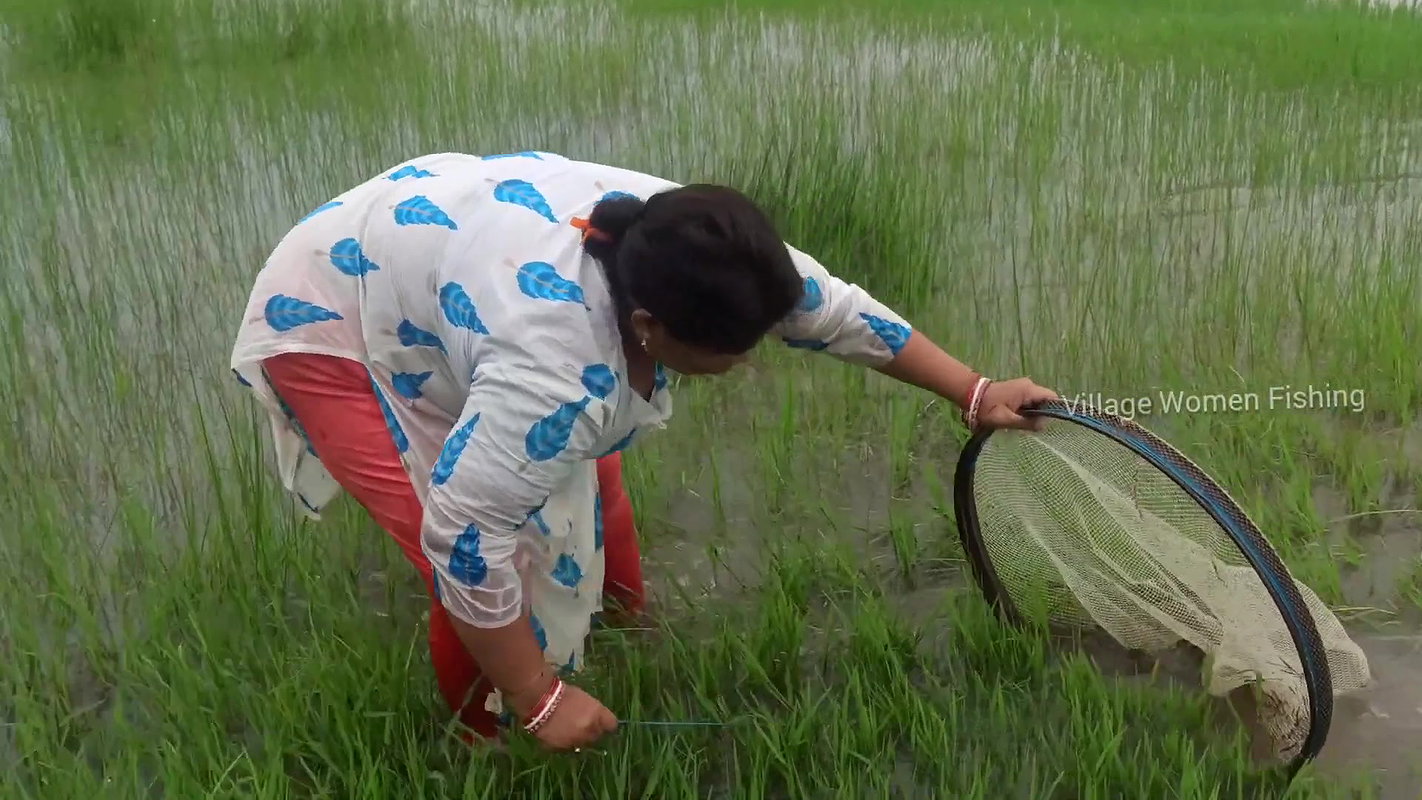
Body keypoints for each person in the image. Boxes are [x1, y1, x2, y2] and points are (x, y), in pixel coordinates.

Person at [228, 150, 1057, 753]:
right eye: (729, 354)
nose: (745, 366)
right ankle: (482, 745)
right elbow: (464, 544)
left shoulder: (708, 247)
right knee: (470, 551)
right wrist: (539, 696)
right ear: (649, 330)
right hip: (337, 309)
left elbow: (837, 315)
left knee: (595, 486)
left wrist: (975, 393)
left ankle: (627, 625)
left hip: (438, 238)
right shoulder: (554, 373)